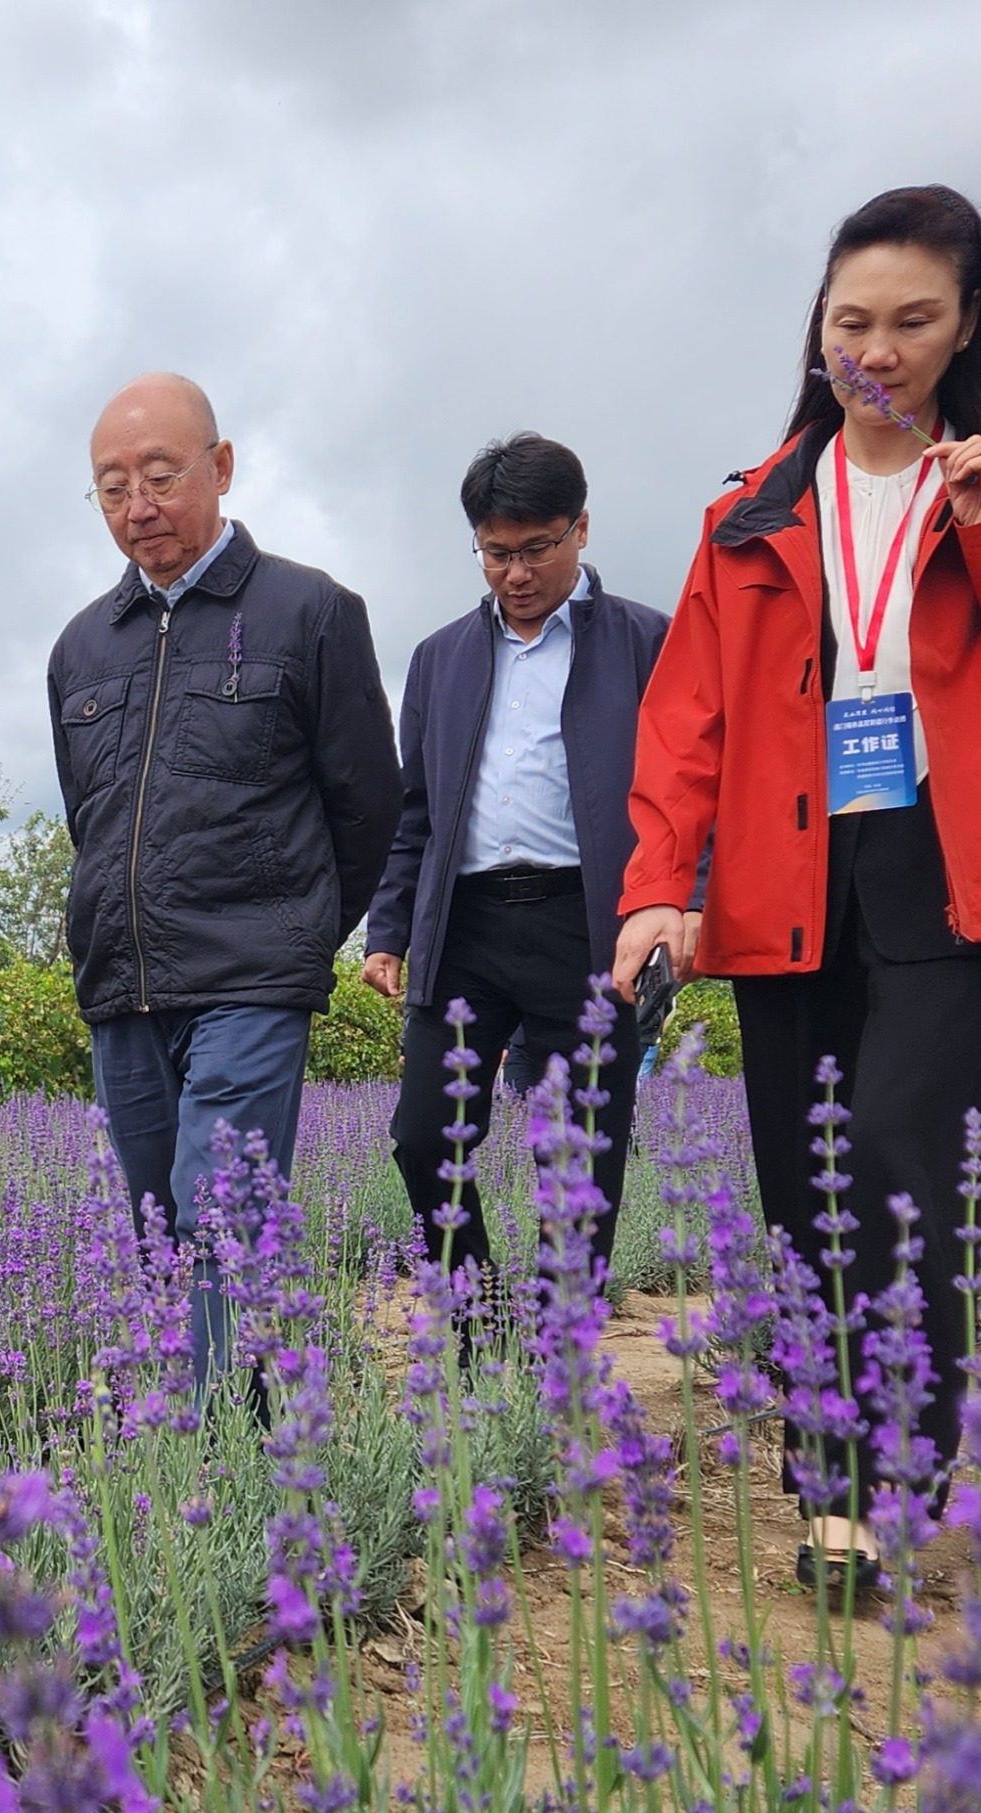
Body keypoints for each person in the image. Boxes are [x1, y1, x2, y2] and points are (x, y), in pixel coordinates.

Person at [614, 185, 981, 1596]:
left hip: (946, 877)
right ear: (817, 332)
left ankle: (895, 1488)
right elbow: (683, 723)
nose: (879, 347)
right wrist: (657, 889)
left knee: (902, 1168)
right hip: (786, 875)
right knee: (804, 1192)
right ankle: (824, 1485)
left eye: (912, 320)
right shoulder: (751, 513)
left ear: (966, 327)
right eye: (853, 319)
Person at [47, 372, 400, 1378]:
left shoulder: (310, 611)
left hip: (251, 971)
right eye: (111, 488)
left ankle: (215, 1450)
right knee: (160, 1222)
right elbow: (90, 816)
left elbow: (367, 802)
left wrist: (298, 931)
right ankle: (228, 1415)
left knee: (221, 1205)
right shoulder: (80, 647)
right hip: (122, 979)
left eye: (160, 476)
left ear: (222, 466)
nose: (137, 507)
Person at [363, 432, 672, 1293]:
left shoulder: (647, 642)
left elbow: (689, 791)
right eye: (496, 553)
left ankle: (562, 1347)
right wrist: (388, 931)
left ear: (581, 529)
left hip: (588, 929)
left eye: (537, 548)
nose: (516, 572)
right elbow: (414, 811)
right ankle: (477, 1314)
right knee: (423, 1136)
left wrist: (682, 905)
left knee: (581, 1156)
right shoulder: (439, 658)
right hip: (464, 926)